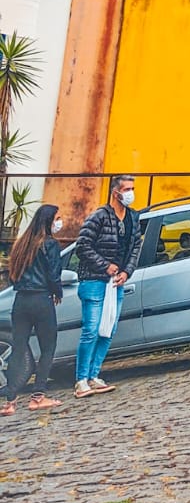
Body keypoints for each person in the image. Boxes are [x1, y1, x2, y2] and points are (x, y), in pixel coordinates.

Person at [74, 174, 143, 398]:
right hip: (94, 280)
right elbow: (82, 246)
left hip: (116, 283)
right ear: (116, 193)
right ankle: (81, 379)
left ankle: (94, 375)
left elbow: (135, 248)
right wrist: (105, 266)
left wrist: (126, 271)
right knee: (91, 329)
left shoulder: (133, 217)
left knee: (108, 330)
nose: (131, 193)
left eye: (133, 188)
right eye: (127, 189)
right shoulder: (99, 217)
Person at [2, 203, 65, 414]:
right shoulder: (50, 245)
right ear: (49, 221)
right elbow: (54, 274)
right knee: (47, 348)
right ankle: (38, 396)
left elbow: (12, 275)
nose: (59, 222)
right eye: (57, 218)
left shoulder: (21, 245)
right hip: (41, 299)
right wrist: (58, 292)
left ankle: (10, 401)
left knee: (18, 350)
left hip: (21, 301)